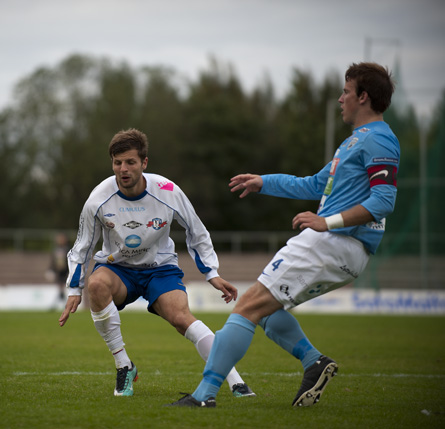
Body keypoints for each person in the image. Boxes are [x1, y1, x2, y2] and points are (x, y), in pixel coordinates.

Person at [169, 62, 400, 408]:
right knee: (264, 310)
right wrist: (264, 182)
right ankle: (314, 363)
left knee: (247, 306)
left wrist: (328, 222)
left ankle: (204, 395)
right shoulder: (355, 142)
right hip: (343, 249)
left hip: (334, 243)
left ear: (363, 97)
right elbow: (314, 184)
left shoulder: (380, 139)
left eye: (346, 92)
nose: (340, 99)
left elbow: (384, 200)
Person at [58, 128, 255, 398]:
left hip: (159, 269)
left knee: (181, 318)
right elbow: (83, 245)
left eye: (130, 162)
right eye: (117, 163)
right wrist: (73, 288)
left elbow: (196, 230)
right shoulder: (97, 199)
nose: (123, 169)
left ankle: (235, 380)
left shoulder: (169, 191)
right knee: (96, 285)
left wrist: (212, 273)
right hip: (118, 269)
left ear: (144, 163)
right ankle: (124, 365)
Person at [49, 233, 70, 309]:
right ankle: (65, 304)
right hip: (58, 272)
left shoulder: (68, 249)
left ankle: (57, 305)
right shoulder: (55, 250)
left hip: (66, 271)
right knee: (60, 289)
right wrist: (50, 270)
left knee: (62, 289)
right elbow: (52, 261)